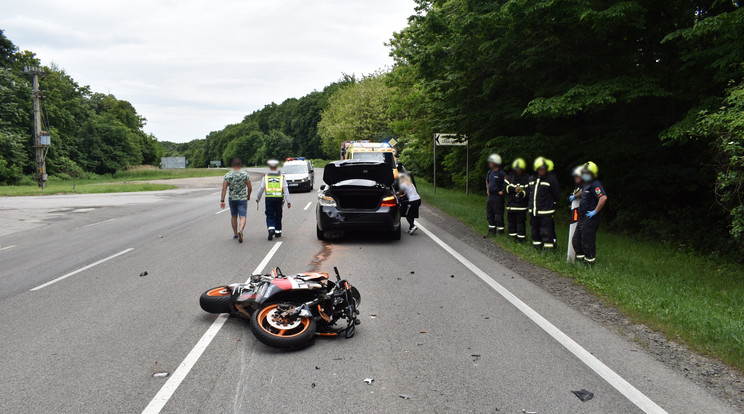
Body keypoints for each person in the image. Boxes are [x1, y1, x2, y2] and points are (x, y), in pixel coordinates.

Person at [572, 161, 608, 265]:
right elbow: (582, 191)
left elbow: (603, 198)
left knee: (587, 242)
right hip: (582, 217)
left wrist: (595, 211)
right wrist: (575, 196)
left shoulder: (595, 184)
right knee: (576, 241)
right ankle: (580, 261)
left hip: (590, 218)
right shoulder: (586, 183)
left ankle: (589, 264)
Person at [527, 157, 560, 250]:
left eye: (544, 168)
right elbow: (529, 193)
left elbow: (556, 194)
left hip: (546, 211)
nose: (542, 170)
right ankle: (536, 248)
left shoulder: (551, 179)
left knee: (546, 231)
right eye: (540, 168)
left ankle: (548, 250)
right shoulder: (531, 179)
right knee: (534, 230)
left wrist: (552, 204)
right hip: (533, 211)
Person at [256, 159, 291, 241]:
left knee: (270, 215)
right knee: (278, 215)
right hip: (278, 199)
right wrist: (288, 201)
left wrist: (258, 198)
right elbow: (285, 189)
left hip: (269, 199)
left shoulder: (266, 177)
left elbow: (261, 188)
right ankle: (278, 232)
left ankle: (271, 229)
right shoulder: (281, 177)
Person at [220, 158, 252, 243]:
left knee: (234, 216)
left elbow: (224, 189)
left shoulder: (227, 175)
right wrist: (248, 196)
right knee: (243, 216)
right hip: (242, 199)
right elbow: (249, 187)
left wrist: (222, 200)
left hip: (232, 199)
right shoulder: (245, 174)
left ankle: (235, 234)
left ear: (232, 165)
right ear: (240, 165)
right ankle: (240, 230)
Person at [505, 158, 529, 242]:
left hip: (521, 207)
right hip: (511, 206)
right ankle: (512, 238)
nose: (518, 170)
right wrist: (513, 189)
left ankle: (521, 240)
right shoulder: (510, 177)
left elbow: (528, 191)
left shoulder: (526, 178)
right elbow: (505, 188)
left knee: (520, 224)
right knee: (511, 223)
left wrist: (521, 194)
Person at [485, 153, 506, 235]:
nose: (490, 164)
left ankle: (500, 232)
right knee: (489, 214)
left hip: (498, 197)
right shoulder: (490, 172)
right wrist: (487, 189)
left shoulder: (501, 173)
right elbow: (487, 181)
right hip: (491, 196)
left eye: (491, 162)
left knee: (498, 215)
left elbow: (507, 183)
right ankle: (491, 231)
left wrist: (503, 191)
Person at [567, 166, 583, 261]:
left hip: (582, 215)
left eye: (578, 176)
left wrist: (575, 196)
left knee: (579, 239)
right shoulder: (576, 187)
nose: (576, 178)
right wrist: (570, 197)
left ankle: (582, 260)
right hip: (575, 213)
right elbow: (569, 197)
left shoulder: (585, 187)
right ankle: (575, 258)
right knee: (575, 238)